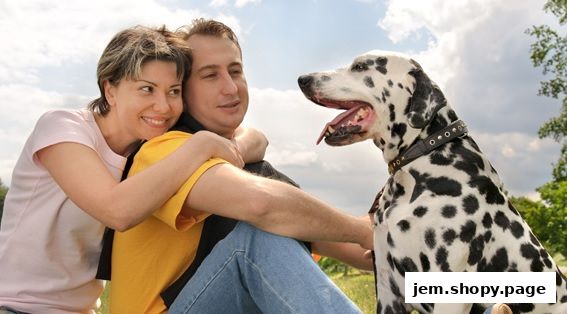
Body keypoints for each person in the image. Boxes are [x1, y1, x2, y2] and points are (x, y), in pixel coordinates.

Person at [107, 18, 373, 314]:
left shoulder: (242, 163)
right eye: (210, 76)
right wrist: (360, 228)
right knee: (254, 238)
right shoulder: (166, 150)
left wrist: (431, 284)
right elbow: (260, 203)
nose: (230, 87)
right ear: (182, 90)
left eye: (235, 71)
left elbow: (361, 252)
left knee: (279, 223)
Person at [0, 25, 268, 314]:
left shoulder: (146, 150)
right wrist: (202, 145)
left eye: (173, 91)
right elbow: (117, 210)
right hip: (15, 305)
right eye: (146, 89)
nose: (163, 107)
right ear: (110, 89)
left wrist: (233, 150)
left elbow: (254, 137)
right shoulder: (63, 128)